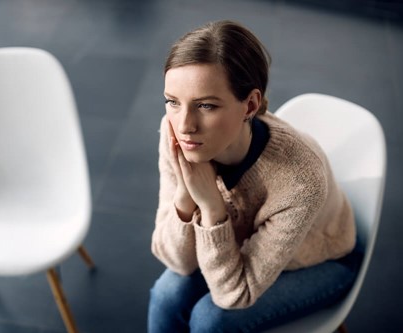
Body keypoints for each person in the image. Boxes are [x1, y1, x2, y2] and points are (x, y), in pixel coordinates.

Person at [148, 20, 363, 333]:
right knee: (167, 295)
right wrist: (184, 193)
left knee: (211, 320)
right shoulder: (176, 137)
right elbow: (176, 262)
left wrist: (210, 208)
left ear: (249, 105)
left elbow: (235, 294)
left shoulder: (301, 180)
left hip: (323, 259)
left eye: (206, 105)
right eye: (172, 102)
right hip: (238, 248)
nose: (184, 125)